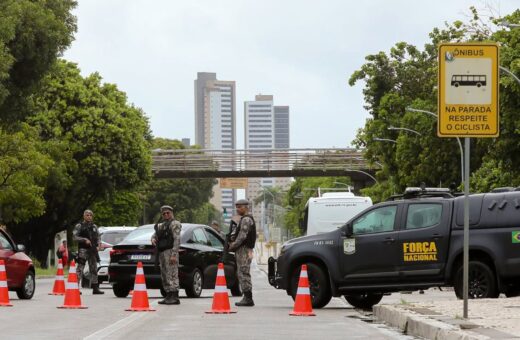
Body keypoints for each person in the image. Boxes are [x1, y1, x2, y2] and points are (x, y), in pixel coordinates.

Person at [227, 199, 257, 307]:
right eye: (237, 207)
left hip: (244, 249)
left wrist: (233, 245)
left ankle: (248, 298)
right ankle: (246, 296)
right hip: (243, 249)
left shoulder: (246, 219)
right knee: (242, 272)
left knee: (243, 272)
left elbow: (242, 236)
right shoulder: (243, 219)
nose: (237, 209)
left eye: (239, 207)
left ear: (246, 207)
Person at [151, 205, 182, 305]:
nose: (166, 215)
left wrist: (174, 254)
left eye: (168, 213)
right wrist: (152, 239)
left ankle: (174, 296)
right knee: (164, 274)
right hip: (162, 253)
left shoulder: (175, 224)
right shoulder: (162, 225)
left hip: (170, 252)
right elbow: (154, 235)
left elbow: (177, 239)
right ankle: (168, 295)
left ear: (172, 213)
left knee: (172, 274)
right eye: (164, 213)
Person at [73, 209, 104, 295]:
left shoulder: (94, 226)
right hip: (83, 250)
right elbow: (74, 237)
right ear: (84, 216)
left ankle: (95, 288)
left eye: (90, 215)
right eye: (87, 215)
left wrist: (99, 245)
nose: (89, 217)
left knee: (94, 268)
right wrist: (84, 239)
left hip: (93, 250)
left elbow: (98, 237)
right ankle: (75, 288)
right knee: (80, 268)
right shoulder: (79, 226)